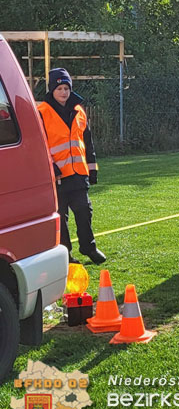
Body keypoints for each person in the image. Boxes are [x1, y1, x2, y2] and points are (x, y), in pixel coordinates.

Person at [38, 68, 106, 265]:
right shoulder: (42, 113)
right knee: (61, 217)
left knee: (84, 211)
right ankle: (65, 255)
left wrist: (92, 169)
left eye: (66, 87)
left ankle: (89, 247)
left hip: (78, 174)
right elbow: (39, 146)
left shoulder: (79, 111)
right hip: (55, 177)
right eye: (59, 88)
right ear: (52, 90)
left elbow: (87, 142)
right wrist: (51, 167)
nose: (63, 92)